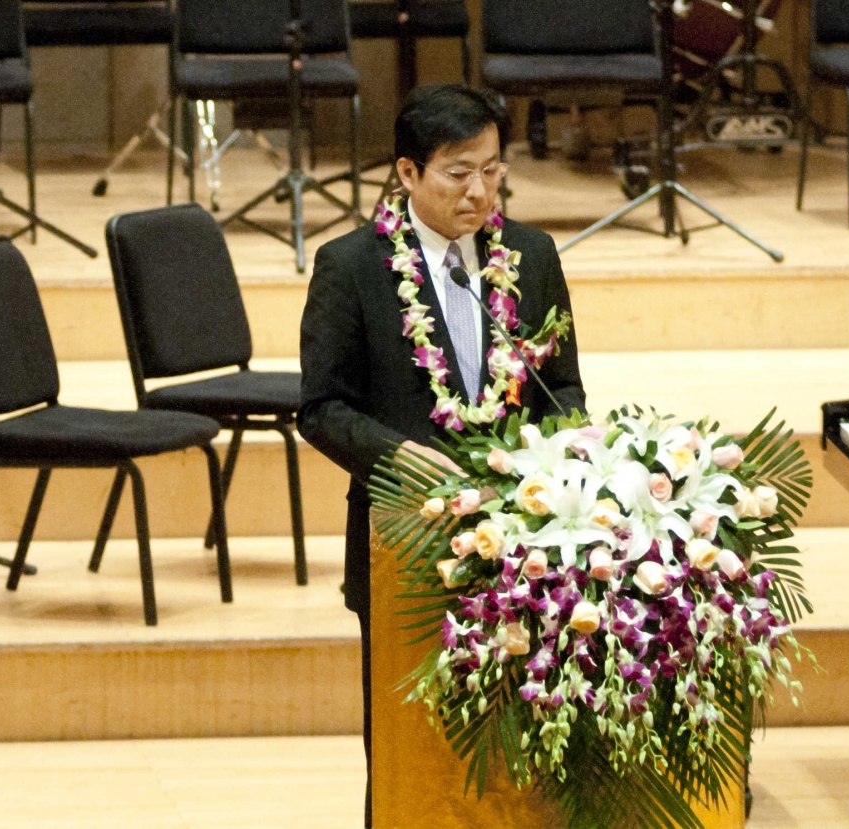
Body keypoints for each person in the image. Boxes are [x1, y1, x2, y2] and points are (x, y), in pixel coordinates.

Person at [297, 83, 585, 827]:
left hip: (521, 546)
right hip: (406, 544)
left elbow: (563, 389)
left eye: (493, 169)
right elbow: (322, 407)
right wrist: (394, 453)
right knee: (405, 751)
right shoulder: (350, 266)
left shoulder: (532, 253)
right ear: (407, 172)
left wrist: (562, 458)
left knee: (514, 745)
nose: (481, 190)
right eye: (459, 172)